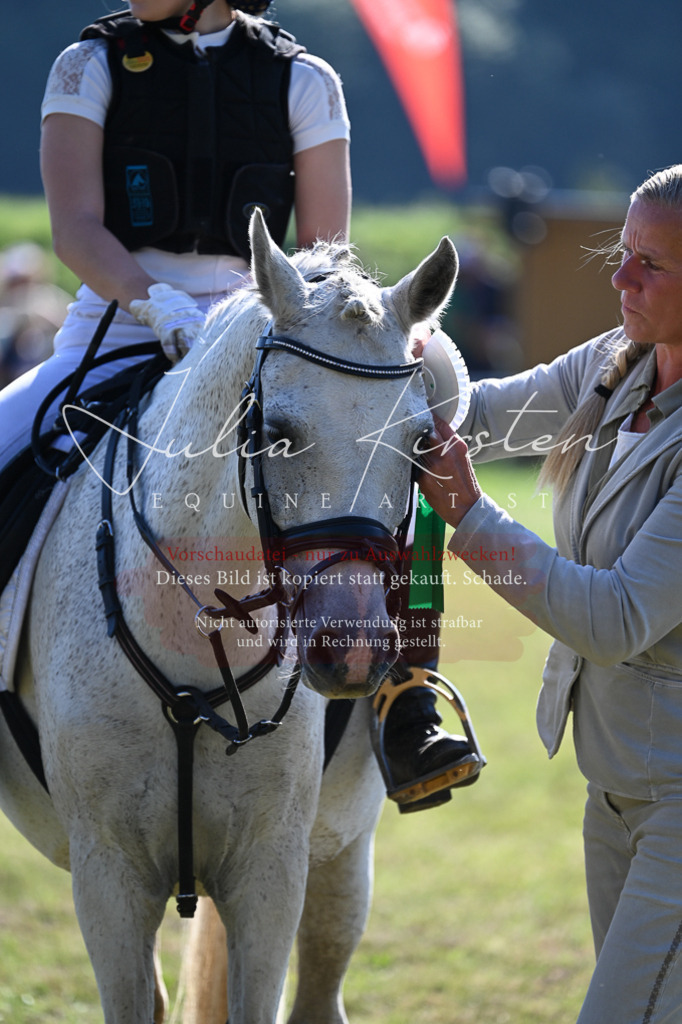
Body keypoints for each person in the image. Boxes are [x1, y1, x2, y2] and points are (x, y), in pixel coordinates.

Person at [0, 0, 477, 807]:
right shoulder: (87, 65)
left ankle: (408, 695)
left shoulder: (304, 79)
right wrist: (155, 302)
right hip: (118, 323)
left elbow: (324, 254)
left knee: (414, 439)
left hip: (269, 331)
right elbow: (76, 230)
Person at [418, 163, 682, 1022]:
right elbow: (478, 416)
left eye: (651, 263)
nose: (620, 277)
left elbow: (614, 619)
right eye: (623, 252)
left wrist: (470, 517)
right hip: (615, 785)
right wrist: (382, 358)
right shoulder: (617, 364)